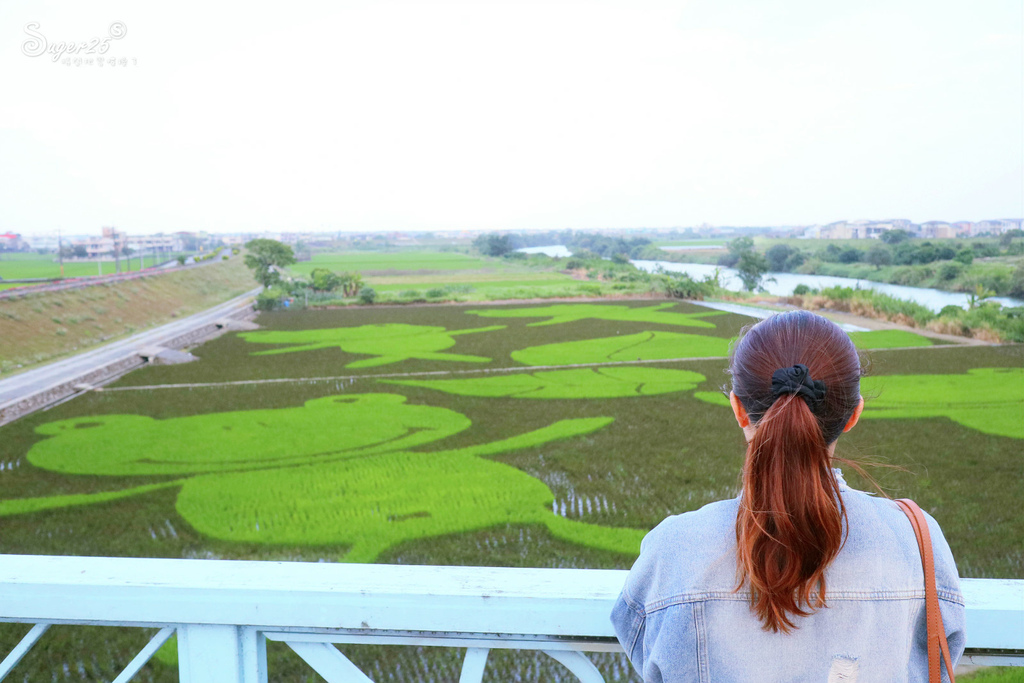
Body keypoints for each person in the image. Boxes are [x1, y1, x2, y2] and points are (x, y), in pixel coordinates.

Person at [611, 310, 965, 682]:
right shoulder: (917, 541)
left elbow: (645, 650)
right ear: (853, 414)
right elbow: (938, 660)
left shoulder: (674, 550)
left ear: (738, 409)